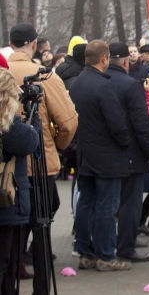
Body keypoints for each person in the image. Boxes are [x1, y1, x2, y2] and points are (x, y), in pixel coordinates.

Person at [7, 23, 78, 291]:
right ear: (35, 44)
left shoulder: (4, 72)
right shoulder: (44, 76)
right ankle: (40, 288)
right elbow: (68, 122)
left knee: (9, 231)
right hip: (38, 166)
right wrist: (55, 147)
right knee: (42, 227)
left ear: (12, 43)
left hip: (5, 168)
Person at [69, 40, 132, 272]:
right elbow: (117, 123)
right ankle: (106, 255)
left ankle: (85, 253)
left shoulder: (77, 83)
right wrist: (125, 143)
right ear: (104, 58)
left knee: (85, 203)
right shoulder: (103, 87)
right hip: (107, 155)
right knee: (107, 206)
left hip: (85, 152)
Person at [106, 43, 149, 263]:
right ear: (126, 62)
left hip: (99, 154)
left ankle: (99, 246)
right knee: (130, 203)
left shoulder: (88, 82)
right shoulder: (130, 85)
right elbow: (142, 123)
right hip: (130, 153)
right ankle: (126, 247)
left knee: (104, 202)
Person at [0, 69, 39, 294]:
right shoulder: (10, 126)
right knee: (4, 259)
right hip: (6, 202)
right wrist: (32, 120)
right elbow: (31, 141)